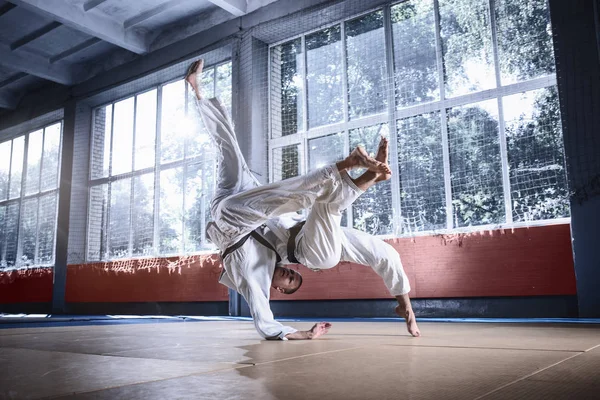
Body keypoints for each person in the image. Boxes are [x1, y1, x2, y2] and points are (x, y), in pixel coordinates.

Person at [185, 59, 420, 340]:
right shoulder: (283, 247)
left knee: (304, 201)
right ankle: (196, 89)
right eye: (295, 276)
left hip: (231, 218)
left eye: (289, 281)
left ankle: (350, 168)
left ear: (279, 291)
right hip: (294, 230)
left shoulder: (253, 277)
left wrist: (303, 334)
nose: (291, 275)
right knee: (376, 246)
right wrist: (405, 305)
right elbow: (288, 199)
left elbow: (264, 321)